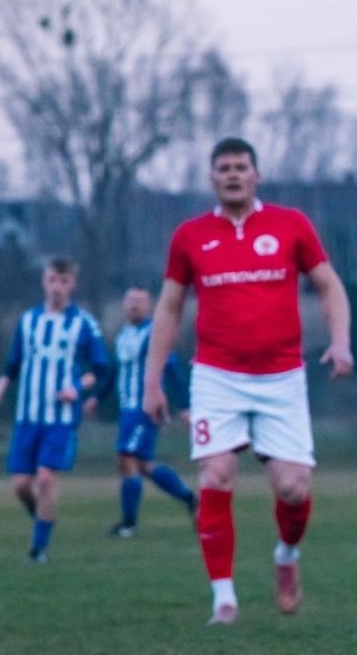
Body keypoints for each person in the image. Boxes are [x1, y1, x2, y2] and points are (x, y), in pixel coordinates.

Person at [144, 137, 352, 625]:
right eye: (224, 168)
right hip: (216, 376)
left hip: (282, 377)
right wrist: (152, 380)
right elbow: (169, 308)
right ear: (212, 178)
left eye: (241, 167)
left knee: (294, 489)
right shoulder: (190, 236)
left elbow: (329, 285)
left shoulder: (290, 224)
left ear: (256, 175)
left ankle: (286, 555)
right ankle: (224, 599)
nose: (233, 174)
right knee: (216, 474)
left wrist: (341, 341)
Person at [0, 257, 110, 563]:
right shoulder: (28, 320)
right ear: (44, 281)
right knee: (20, 485)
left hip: (60, 419)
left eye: (64, 281)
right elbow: (13, 363)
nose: (57, 287)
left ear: (72, 285)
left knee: (44, 479)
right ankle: (44, 520)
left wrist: (76, 388)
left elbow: (100, 369)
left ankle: (38, 548)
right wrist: (0, 386)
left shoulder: (83, 323)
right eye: (53, 280)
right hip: (27, 416)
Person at [87, 286, 196, 537]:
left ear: (150, 306)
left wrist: (184, 406)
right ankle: (190, 499)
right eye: (130, 300)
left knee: (126, 458)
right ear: (124, 304)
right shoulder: (123, 335)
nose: (134, 305)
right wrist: (98, 398)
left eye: (140, 301)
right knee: (144, 465)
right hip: (127, 411)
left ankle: (129, 524)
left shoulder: (153, 334)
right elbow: (115, 372)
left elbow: (171, 369)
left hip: (145, 409)